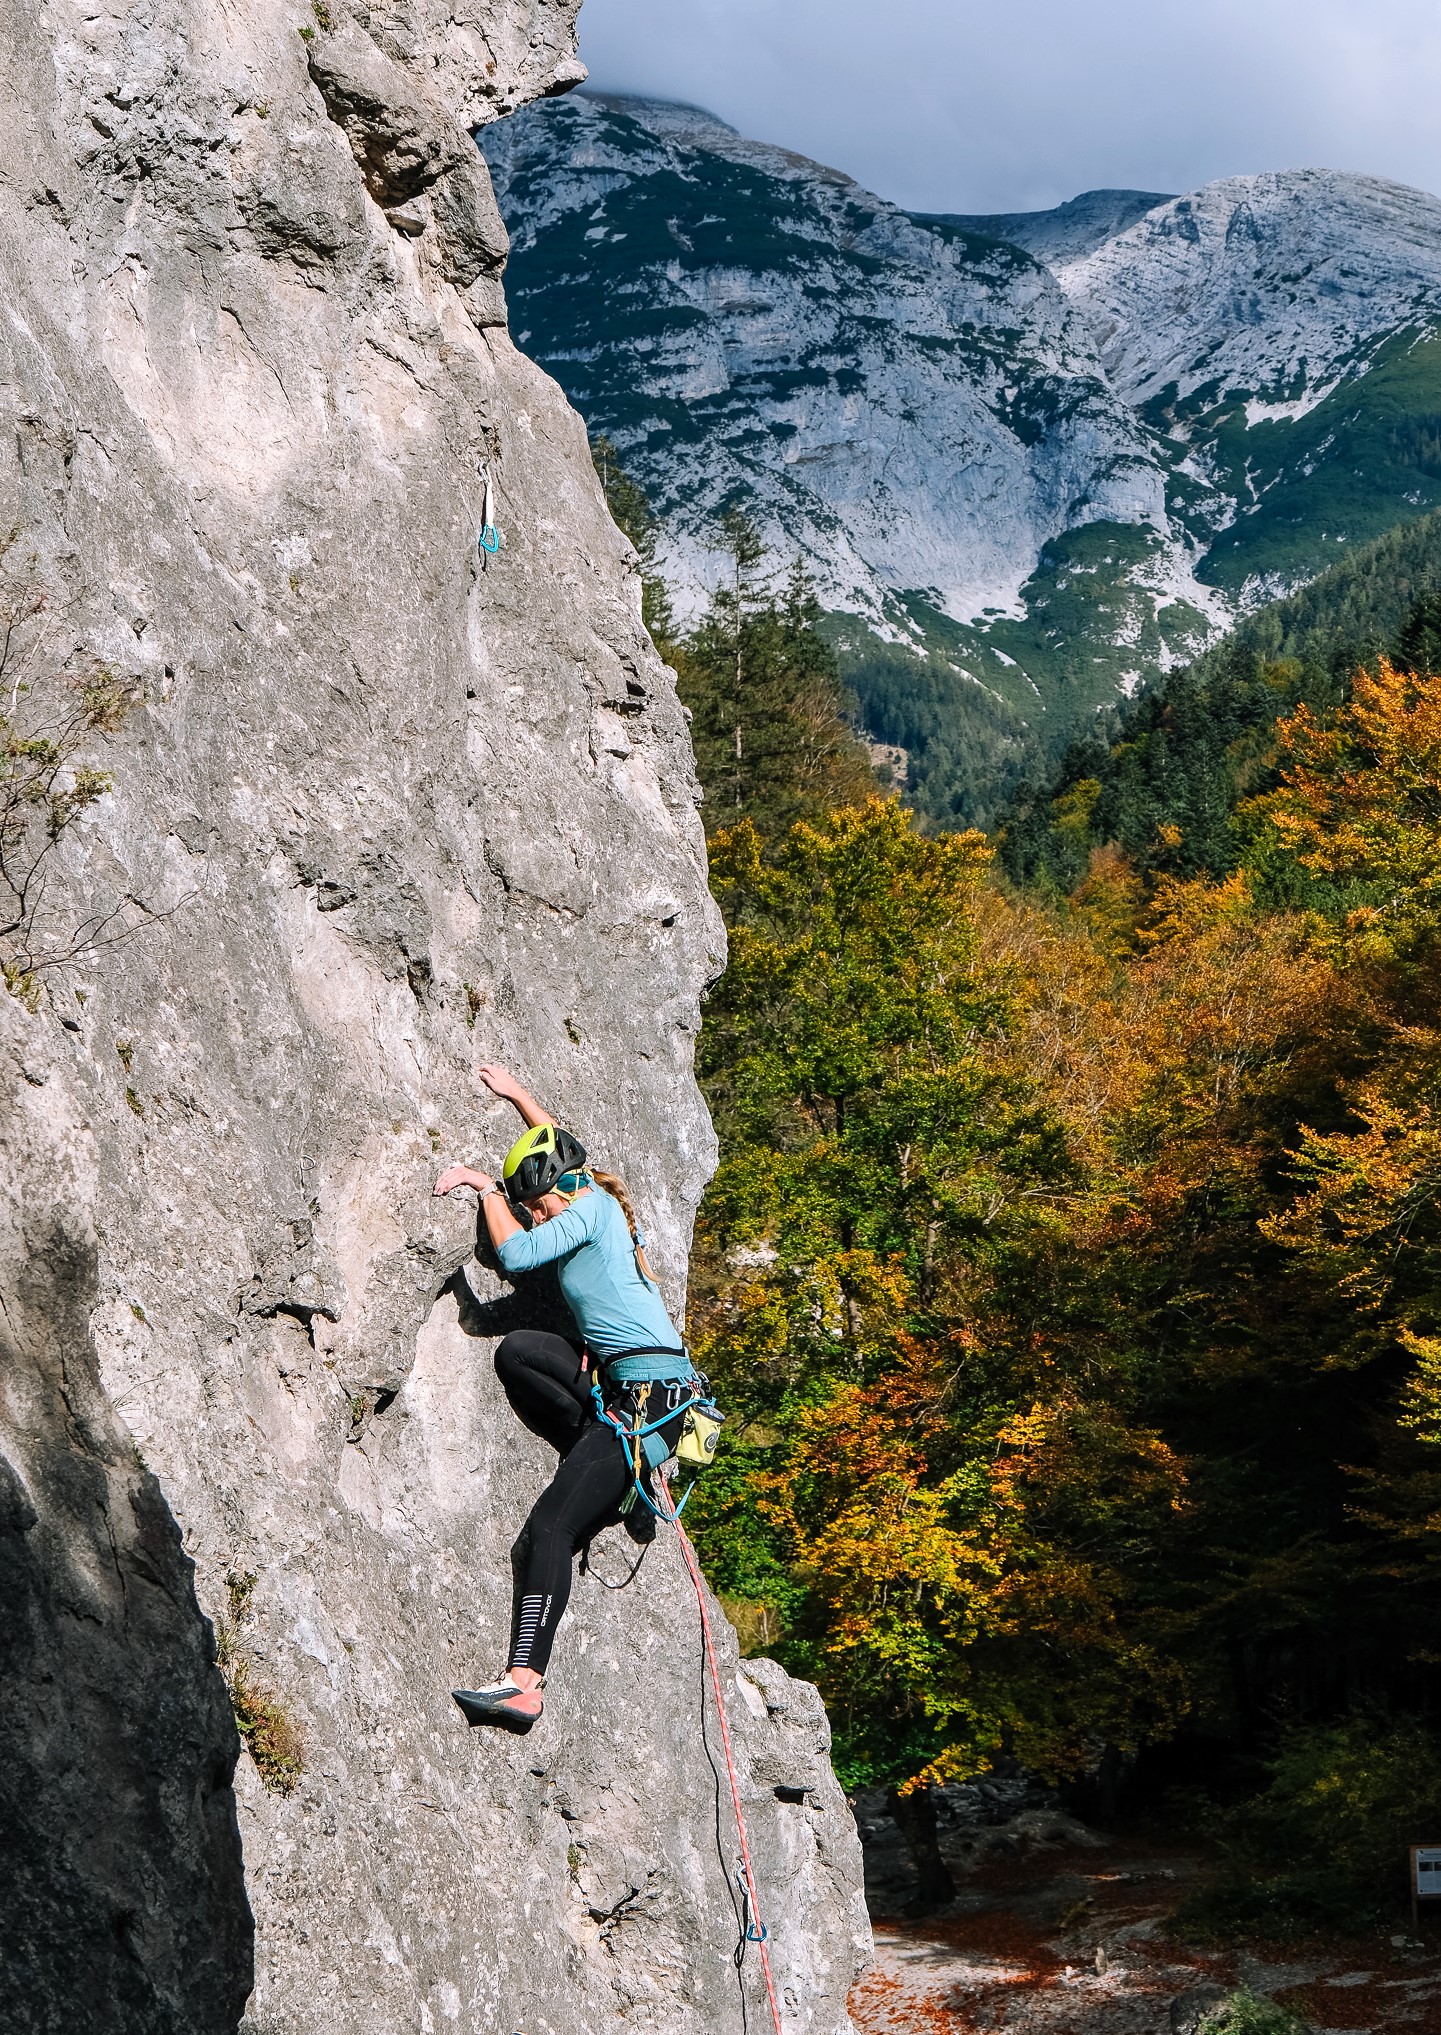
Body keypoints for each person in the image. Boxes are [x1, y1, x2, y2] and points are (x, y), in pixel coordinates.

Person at [434, 1062, 699, 1732]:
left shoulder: (588, 1210)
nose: (532, 1212)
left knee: (547, 1527)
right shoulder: (587, 1202)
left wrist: (481, 1187)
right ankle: (619, 1475)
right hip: (628, 1390)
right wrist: (519, 1095)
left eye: (534, 1202)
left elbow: (518, 1257)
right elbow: (552, 1140)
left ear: (554, 1191)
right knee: (520, 1351)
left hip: (651, 1404)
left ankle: (524, 1683)